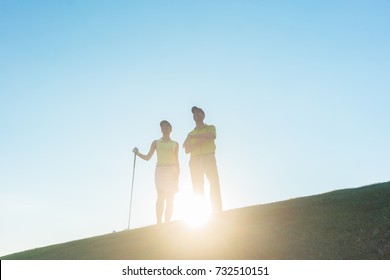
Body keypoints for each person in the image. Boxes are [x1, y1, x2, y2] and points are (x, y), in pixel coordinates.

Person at [133, 120, 180, 224]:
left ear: (170, 129)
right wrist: (138, 153)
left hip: (172, 171)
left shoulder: (175, 144)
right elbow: (148, 157)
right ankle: (159, 222)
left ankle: (167, 222)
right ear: (161, 130)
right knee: (161, 196)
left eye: (166, 126)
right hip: (160, 170)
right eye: (162, 127)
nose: (164, 128)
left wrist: (177, 174)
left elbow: (177, 160)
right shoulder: (156, 142)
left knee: (170, 198)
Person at [183, 106, 223, 212]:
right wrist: (201, 139)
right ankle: (201, 212)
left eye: (199, 112)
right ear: (193, 117)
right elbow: (186, 149)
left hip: (208, 157)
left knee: (214, 183)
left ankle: (217, 211)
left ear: (203, 115)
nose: (196, 114)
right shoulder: (190, 133)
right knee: (197, 186)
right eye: (194, 113)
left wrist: (194, 138)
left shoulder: (210, 127)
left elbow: (211, 135)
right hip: (195, 160)